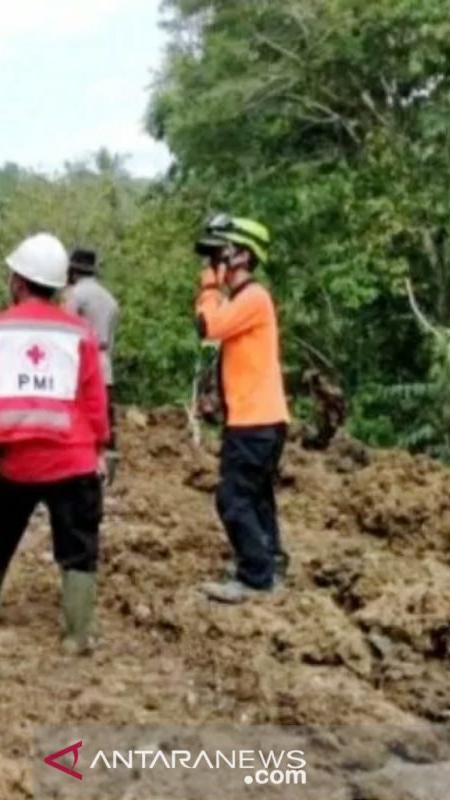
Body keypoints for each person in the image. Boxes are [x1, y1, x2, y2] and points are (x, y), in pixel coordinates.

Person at [0, 233, 110, 655]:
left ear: (18, 281)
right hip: (75, 459)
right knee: (79, 545)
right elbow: (95, 400)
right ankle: (77, 635)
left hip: (17, 463)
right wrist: (99, 446)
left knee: (1, 534)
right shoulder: (79, 333)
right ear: (59, 284)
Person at [194, 215, 289, 603]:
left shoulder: (253, 297)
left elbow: (207, 327)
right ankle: (268, 563)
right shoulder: (247, 300)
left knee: (232, 497)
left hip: (255, 421)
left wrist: (208, 290)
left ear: (242, 256)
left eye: (219, 253)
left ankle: (255, 576)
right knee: (255, 496)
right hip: (258, 418)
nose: (213, 261)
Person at [63, 248, 120, 483]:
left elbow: (65, 331)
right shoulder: (110, 299)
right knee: (104, 417)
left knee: (75, 415)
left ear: (73, 271)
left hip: (79, 361)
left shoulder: (75, 295)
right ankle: (106, 468)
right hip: (104, 361)